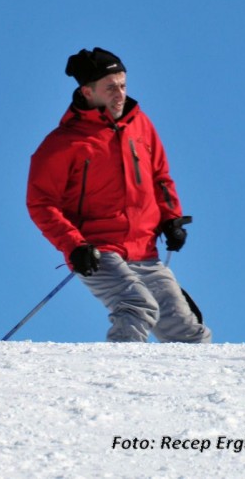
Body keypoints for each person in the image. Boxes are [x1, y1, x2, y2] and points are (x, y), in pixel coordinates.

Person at [26, 47, 211, 343]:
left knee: (185, 330)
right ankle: (118, 380)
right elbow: (41, 202)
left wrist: (171, 219)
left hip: (144, 249)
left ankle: (198, 389)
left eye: (123, 85)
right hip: (98, 252)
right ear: (87, 91)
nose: (120, 94)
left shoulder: (140, 125)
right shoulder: (62, 143)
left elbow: (160, 177)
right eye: (110, 87)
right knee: (137, 306)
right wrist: (74, 246)